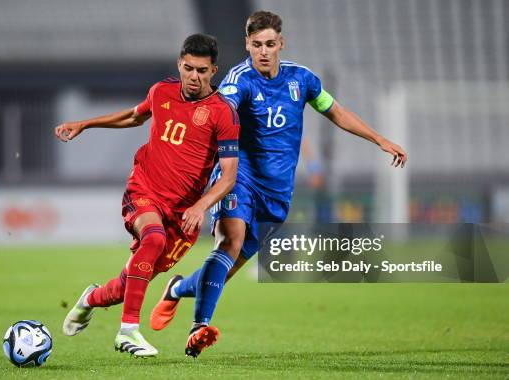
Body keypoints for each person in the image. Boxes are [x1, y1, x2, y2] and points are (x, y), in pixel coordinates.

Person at [150, 10, 408, 358]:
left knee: (226, 268)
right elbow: (218, 113)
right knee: (229, 243)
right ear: (247, 45)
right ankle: (199, 328)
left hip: (276, 195)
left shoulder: (302, 80)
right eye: (256, 45)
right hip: (238, 179)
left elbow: (337, 112)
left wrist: (379, 140)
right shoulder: (239, 81)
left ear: (280, 44)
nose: (263, 51)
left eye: (270, 44)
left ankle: (178, 289)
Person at [56, 34, 240, 357]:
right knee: (151, 239)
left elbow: (228, 176)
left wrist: (200, 206)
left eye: (201, 70)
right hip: (144, 189)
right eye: (188, 68)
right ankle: (128, 331)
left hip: (182, 214)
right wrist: (86, 124)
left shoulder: (223, 113)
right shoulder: (161, 92)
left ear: (214, 71)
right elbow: (133, 116)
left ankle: (91, 298)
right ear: (179, 64)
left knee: (127, 286)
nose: (193, 77)